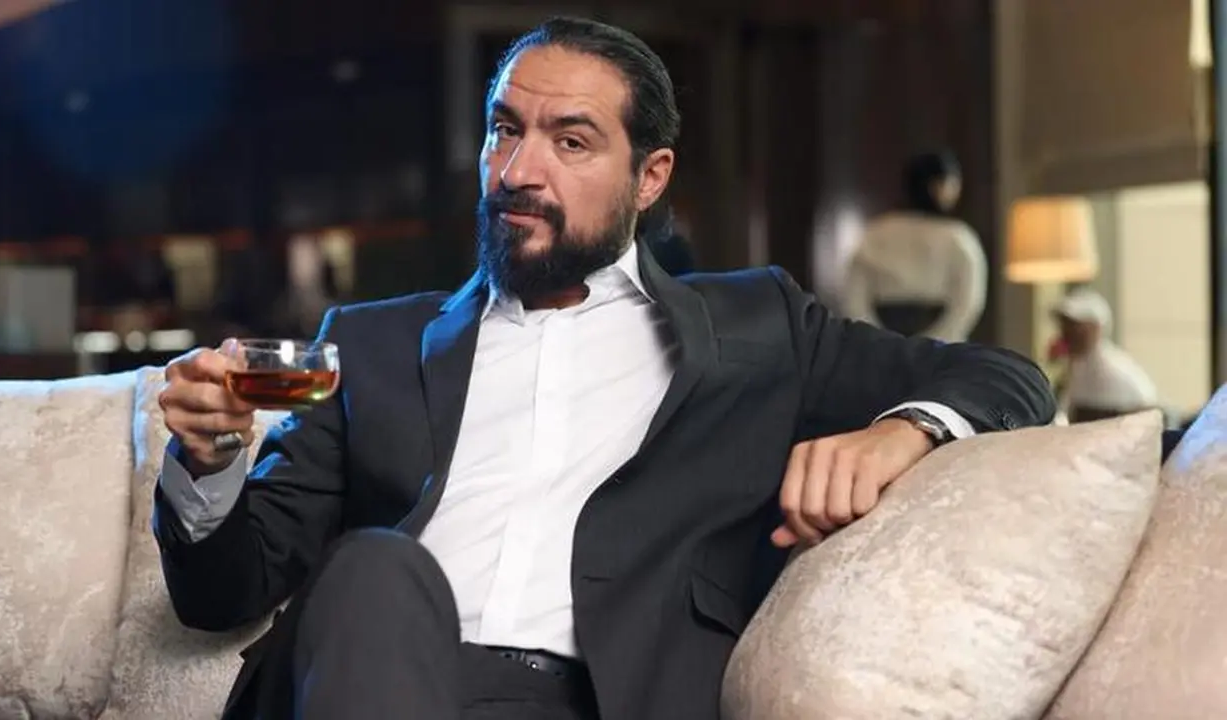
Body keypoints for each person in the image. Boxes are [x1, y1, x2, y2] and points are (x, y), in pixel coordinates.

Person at [154, 17, 1055, 720]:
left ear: (649, 177)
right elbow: (224, 593)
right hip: (377, 677)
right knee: (377, 568)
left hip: (602, 701)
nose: (518, 170)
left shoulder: (758, 328)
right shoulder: (372, 342)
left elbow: (1008, 377)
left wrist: (905, 429)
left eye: (571, 142)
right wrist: (210, 459)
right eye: (504, 130)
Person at [842, 150, 988, 342]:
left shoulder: (875, 234)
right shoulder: (959, 238)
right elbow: (968, 303)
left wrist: (880, 343)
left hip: (884, 346)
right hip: (939, 348)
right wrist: (934, 343)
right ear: (936, 186)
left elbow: (855, 303)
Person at [1048, 287, 1159, 424]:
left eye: (1074, 325)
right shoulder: (1078, 366)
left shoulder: (1114, 369)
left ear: (1096, 327)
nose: (1067, 332)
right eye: (1065, 324)